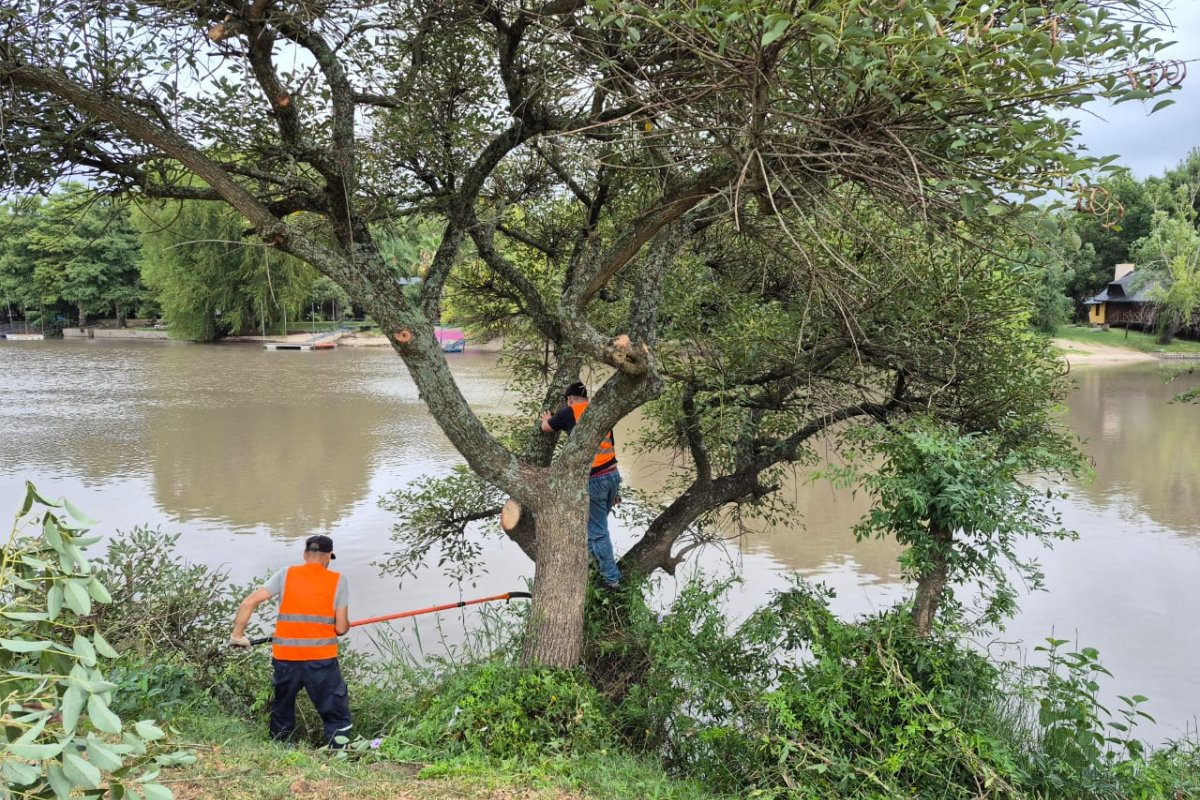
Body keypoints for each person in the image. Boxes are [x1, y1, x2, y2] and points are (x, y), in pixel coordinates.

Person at [229, 535, 353, 746]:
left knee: (282, 708)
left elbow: (249, 602)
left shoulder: (286, 574)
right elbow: (341, 628)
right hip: (321, 660)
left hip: (286, 659)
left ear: (305, 555)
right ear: (328, 557)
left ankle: (281, 751)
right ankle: (340, 753)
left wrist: (237, 636)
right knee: (335, 713)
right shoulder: (337, 580)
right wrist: (343, 623)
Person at [540, 381, 622, 590]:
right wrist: (616, 492)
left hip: (594, 480)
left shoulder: (570, 411)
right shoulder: (600, 412)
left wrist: (548, 418)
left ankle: (611, 579)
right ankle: (594, 566)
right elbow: (610, 444)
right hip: (613, 475)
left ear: (569, 399)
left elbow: (546, 428)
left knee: (597, 531)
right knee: (594, 526)